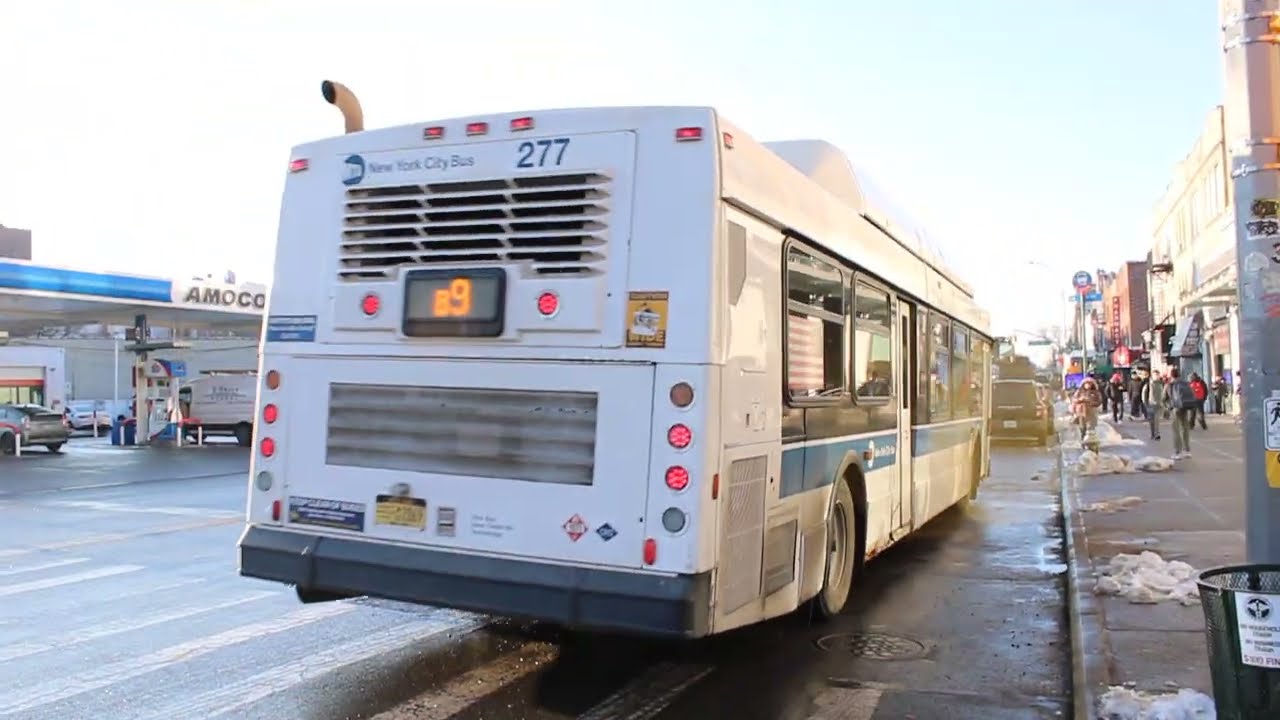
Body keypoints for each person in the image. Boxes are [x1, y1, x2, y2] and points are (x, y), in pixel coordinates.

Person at [1165, 367, 1197, 459]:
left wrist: (1168, 407)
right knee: (1185, 429)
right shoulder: (1185, 383)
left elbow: (1164, 399)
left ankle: (1177, 452)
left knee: (1176, 431)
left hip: (1175, 408)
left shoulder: (1169, 385)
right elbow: (1192, 394)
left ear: (1171, 375)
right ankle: (1187, 450)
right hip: (1185, 407)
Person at [1073, 377, 1104, 442]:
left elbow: (1099, 401)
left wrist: (1091, 402)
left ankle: (1091, 442)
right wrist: (1080, 400)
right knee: (1082, 428)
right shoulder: (1079, 392)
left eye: (1090, 384)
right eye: (1086, 384)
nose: (1088, 385)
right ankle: (1083, 440)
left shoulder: (1095, 392)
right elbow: (1074, 399)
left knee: (1091, 428)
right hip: (1081, 413)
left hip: (1092, 413)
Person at [1143, 370, 1164, 440]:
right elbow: (1144, 394)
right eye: (1155, 375)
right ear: (1152, 376)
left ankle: (1157, 434)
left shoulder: (1161, 384)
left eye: (1158, 375)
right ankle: (1152, 433)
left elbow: (1164, 394)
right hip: (1150, 405)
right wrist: (1145, 404)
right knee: (1151, 421)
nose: (1157, 377)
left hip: (1158, 405)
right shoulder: (1148, 384)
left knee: (1156, 420)